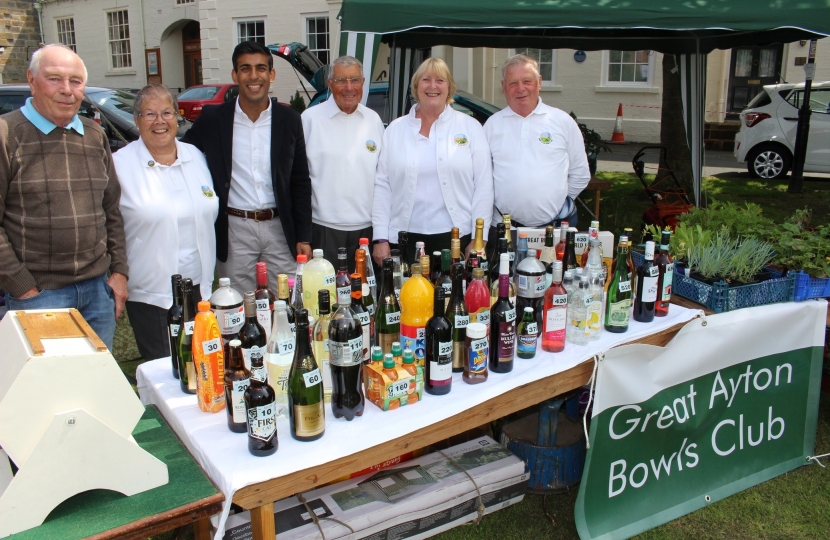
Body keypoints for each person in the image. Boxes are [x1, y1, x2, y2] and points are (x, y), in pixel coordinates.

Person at [0, 44, 128, 349]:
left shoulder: (94, 135)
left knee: (96, 375)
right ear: (32, 80)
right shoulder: (7, 134)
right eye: (54, 79)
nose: (67, 90)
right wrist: (22, 286)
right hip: (39, 295)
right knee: (50, 378)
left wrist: (119, 273)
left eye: (75, 81)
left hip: (98, 291)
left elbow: (111, 210)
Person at [181, 40, 312, 294]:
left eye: (261, 68)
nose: (254, 76)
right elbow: (183, 155)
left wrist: (304, 235)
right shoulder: (213, 119)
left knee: (286, 301)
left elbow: (300, 181)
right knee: (238, 304)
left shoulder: (289, 120)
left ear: (271, 74)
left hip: (279, 228)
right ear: (235, 75)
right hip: (234, 230)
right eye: (245, 69)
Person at [113, 85, 218, 360]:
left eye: (167, 113)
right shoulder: (119, 165)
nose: (159, 121)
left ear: (177, 117)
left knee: (201, 364)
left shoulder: (195, 157)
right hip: (151, 293)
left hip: (199, 289)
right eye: (149, 114)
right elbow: (108, 227)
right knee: (164, 368)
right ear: (136, 120)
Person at [372, 58, 493, 266]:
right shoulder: (395, 130)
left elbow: (484, 186)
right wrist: (380, 237)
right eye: (426, 79)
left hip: (457, 238)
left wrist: (478, 239)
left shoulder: (470, 127)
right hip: (404, 239)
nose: (433, 86)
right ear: (416, 86)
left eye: (440, 80)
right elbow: (382, 186)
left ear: (449, 87)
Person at [484, 54, 590, 233]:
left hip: (555, 229)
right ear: (503, 87)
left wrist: (557, 203)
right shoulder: (491, 125)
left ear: (539, 82)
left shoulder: (562, 121)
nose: (520, 88)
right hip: (504, 229)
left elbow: (580, 174)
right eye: (512, 83)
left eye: (527, 81)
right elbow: (482, 179)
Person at [302, 55, 384, 272]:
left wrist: (381, 234)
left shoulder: (374, 120)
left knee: (365, 292)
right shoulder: (310, 120)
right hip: (323, 230)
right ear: (329, 83)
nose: (349, 87)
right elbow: (299, 180)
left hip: (366, 232)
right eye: (341, 80)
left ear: (363, 82)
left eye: (354, 80)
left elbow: (383, 180)